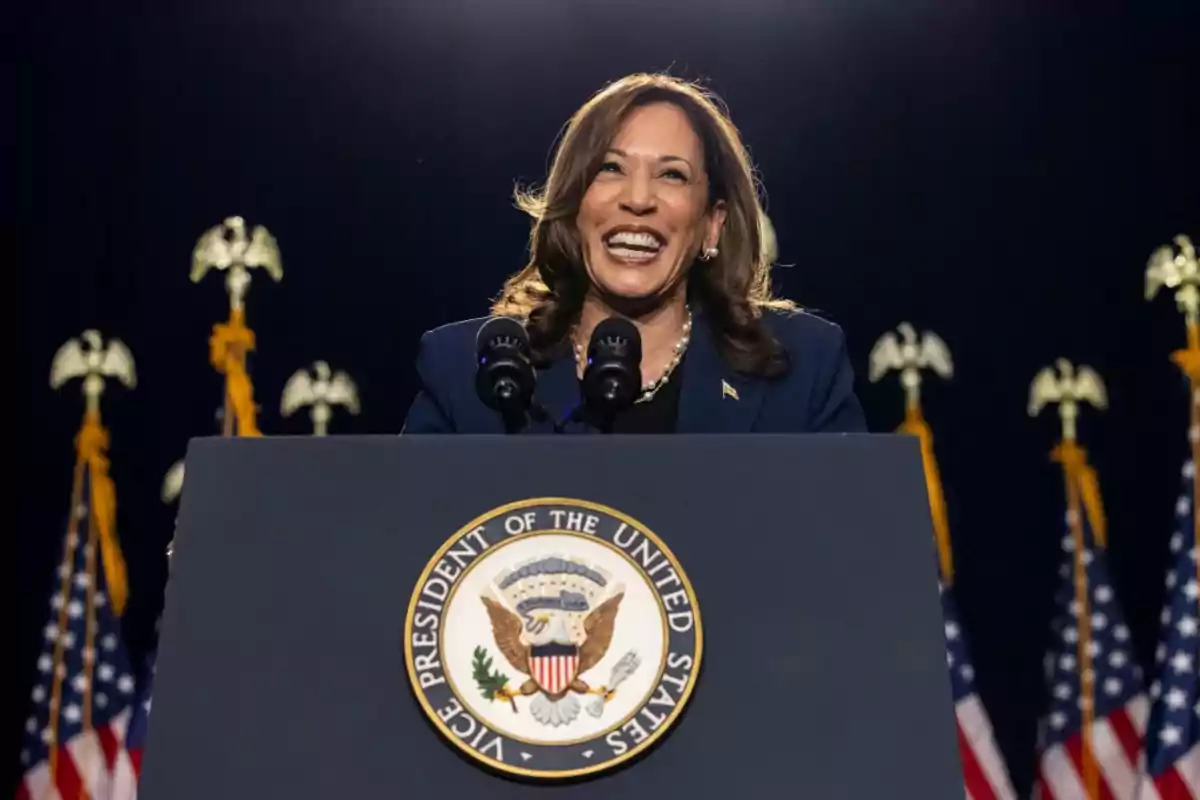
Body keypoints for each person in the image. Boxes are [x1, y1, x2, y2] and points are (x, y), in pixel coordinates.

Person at [402, 73, 867, 434]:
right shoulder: (464, 372)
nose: (638, 199)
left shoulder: (802, 369)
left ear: (712, 224)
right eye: (610, 168)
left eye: (672, 176)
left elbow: (855, 548)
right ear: (573, 206)